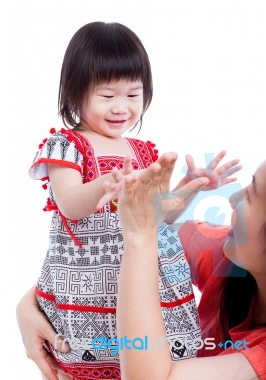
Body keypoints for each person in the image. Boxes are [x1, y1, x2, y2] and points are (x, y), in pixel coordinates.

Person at [17, 21, 240, 380]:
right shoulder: (67, 146)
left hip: (141, 280)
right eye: (107, 96)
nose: (121, 107)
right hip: (91, 281)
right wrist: (108, 182)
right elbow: (71, 205)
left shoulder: (141, 150)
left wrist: (191, 186)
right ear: (74, 92)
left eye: (133, 95)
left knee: (146, 360)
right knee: (87, 366)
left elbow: (158, 217)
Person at [111, 153, 266, 379]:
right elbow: (155, 233)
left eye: (250, 196)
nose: (233, 198)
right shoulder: (229, 259)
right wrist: (40, 301)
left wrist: (139, 237)